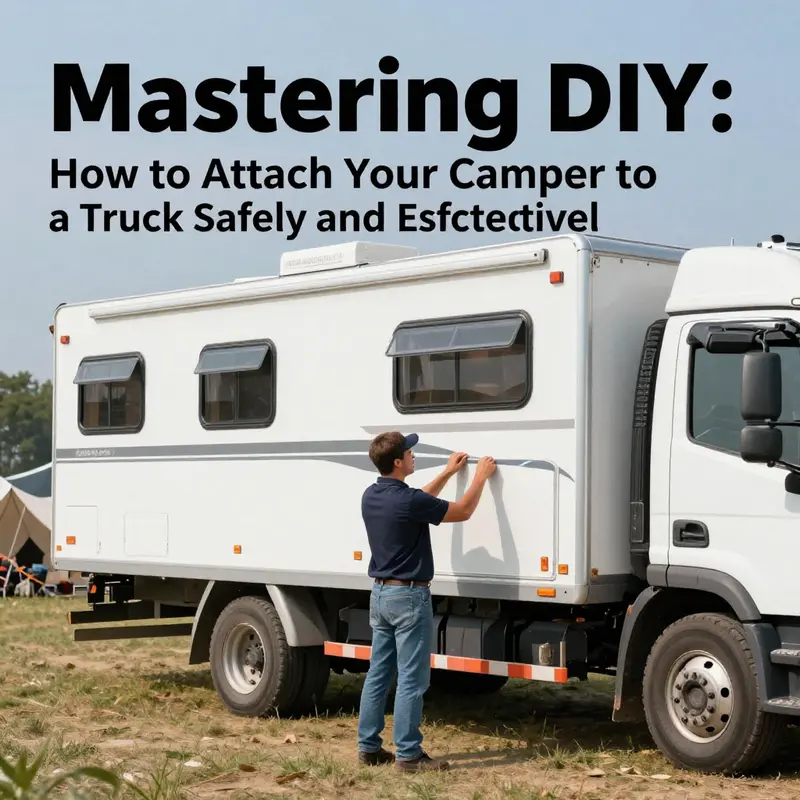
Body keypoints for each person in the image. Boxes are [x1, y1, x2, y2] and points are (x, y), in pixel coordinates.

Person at [356, 431, 497, 772]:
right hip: (409, 597)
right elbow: (462, 511)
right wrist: (479, 477)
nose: (413, 455)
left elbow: (418, 502)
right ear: (397, 462)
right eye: (409, 451)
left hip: (381, 594)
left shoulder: (372, 495)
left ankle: (369, 747)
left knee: (378, 674)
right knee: (412, 679)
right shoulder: (408, 502)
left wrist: (448, 473)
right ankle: (408, 755)